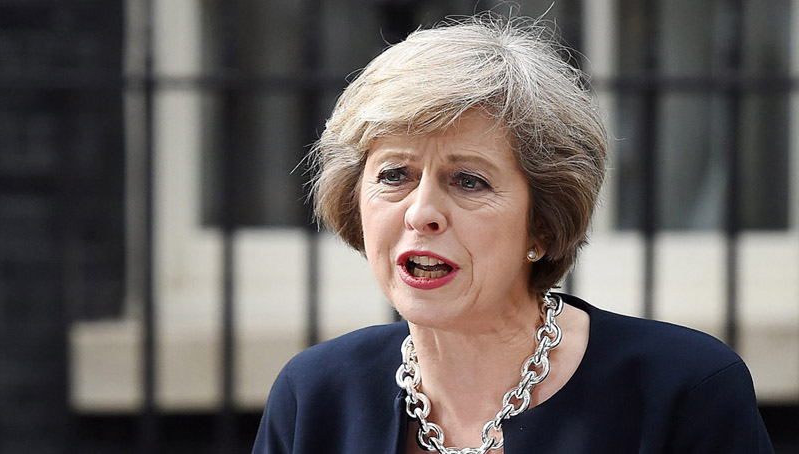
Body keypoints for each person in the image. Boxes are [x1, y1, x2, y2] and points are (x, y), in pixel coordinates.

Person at [252, 15, 774, 454]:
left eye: (468, 180)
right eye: (395, 176)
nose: (422, 213)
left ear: (542, 225)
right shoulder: (312, 397)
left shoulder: (686, 390)